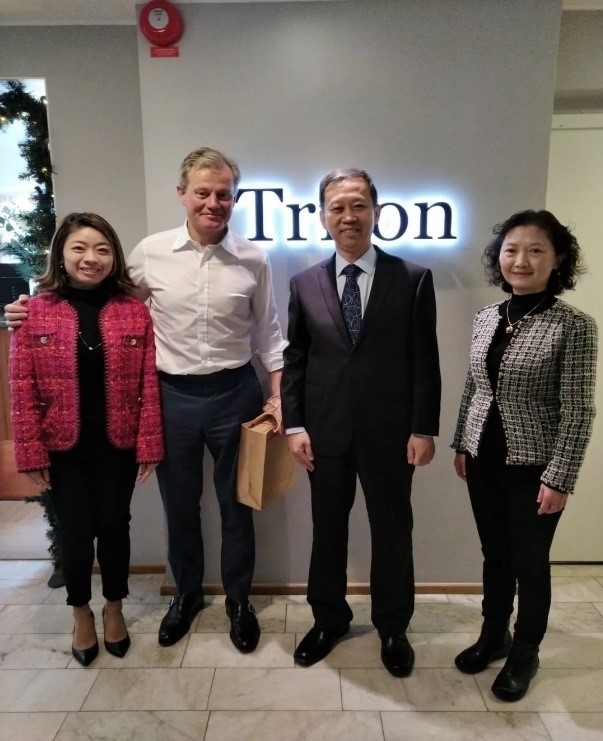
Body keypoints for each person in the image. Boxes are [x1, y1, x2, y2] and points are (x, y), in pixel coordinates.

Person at [7, 150, 285, 652]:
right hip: (172, 395)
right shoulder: (150, 252)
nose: (213, 202)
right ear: (182, 194)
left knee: (237, 504)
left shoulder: (253, 258)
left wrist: (279, 396)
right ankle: (187, 596)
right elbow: (102, 300)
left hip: (237, 394)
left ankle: (239, 601)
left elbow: (269, 335)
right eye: (202, 192)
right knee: (180, 506)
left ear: (234, 198)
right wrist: (30, 308)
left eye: (223, 193)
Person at [280, 168, 441, 677]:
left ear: (376, 211)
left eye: (358, 205)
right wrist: (294, 425)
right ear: (323, 217)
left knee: (392, 529)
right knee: (327, 529)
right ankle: (328, 620)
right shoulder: (304, 283)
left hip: (392, 434)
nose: (348, 216)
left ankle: (393, 627)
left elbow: (425, 360)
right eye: (337, 207)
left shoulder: (412, 278)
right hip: (324, 432)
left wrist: (423, 428)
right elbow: (296, 359)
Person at [451, 209, 598, 701]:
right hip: (483, 458)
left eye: (536, 250)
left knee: (530, 562)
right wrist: (462, 442)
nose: (522, 260)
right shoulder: (486, 318)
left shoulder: (574, 325)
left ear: (558, 260)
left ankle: (525, 652)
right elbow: (474, 387)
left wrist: (561, 478)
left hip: (536, 467)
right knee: (494, 553)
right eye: (511, 250)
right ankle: (494, 635)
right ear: (499, 258)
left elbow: (578, 410)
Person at [9, 212, 163, 667]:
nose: (90, 258)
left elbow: (149, 383)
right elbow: (21, 388)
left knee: (115, 528)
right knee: (74, 533)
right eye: (79, 248)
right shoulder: (34, 312)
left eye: (102, 249)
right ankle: (81, 612)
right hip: (63, 447)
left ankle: (114, 607)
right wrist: (30, 450)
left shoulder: (133, 312)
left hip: (118, 444)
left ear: (114, 257)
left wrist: (150, 443)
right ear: (61, 254)